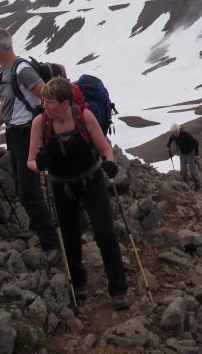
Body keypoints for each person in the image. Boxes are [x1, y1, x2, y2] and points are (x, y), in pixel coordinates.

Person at [27, 76, 129, 309]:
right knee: (70, 235)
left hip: (91, 179)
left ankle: (118, 289)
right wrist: (39, 164)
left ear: (64, 103)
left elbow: (105, 149)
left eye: (49, 102)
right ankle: (79, 284)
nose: (44, 106)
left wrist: (110, 163)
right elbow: (31, 161)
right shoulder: (40, 124)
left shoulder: (84, 117)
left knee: (105, 233)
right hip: (61, 184)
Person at [0, 28, 60, 261]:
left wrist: (42, 128)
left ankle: (51, 244)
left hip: (28, 134)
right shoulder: (8, 73)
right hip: (15, 135)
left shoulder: (21, 69)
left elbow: (45, 94)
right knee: (23, 189)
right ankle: (40, 231)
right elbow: (7, 104)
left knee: (29, 192)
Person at [166, 124, 201, 190]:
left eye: (176, 132)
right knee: (183, 171)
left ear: (179, 130)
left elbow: (196, 143)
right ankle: (186, 186)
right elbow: (170, 139)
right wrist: (168, 146)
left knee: (193, 171)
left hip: (191, 153)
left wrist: (197, 154)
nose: (175, 134)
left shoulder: (185, 134)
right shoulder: (173, 135)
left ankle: (198, 187)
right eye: (173, 132)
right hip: (182, 154)